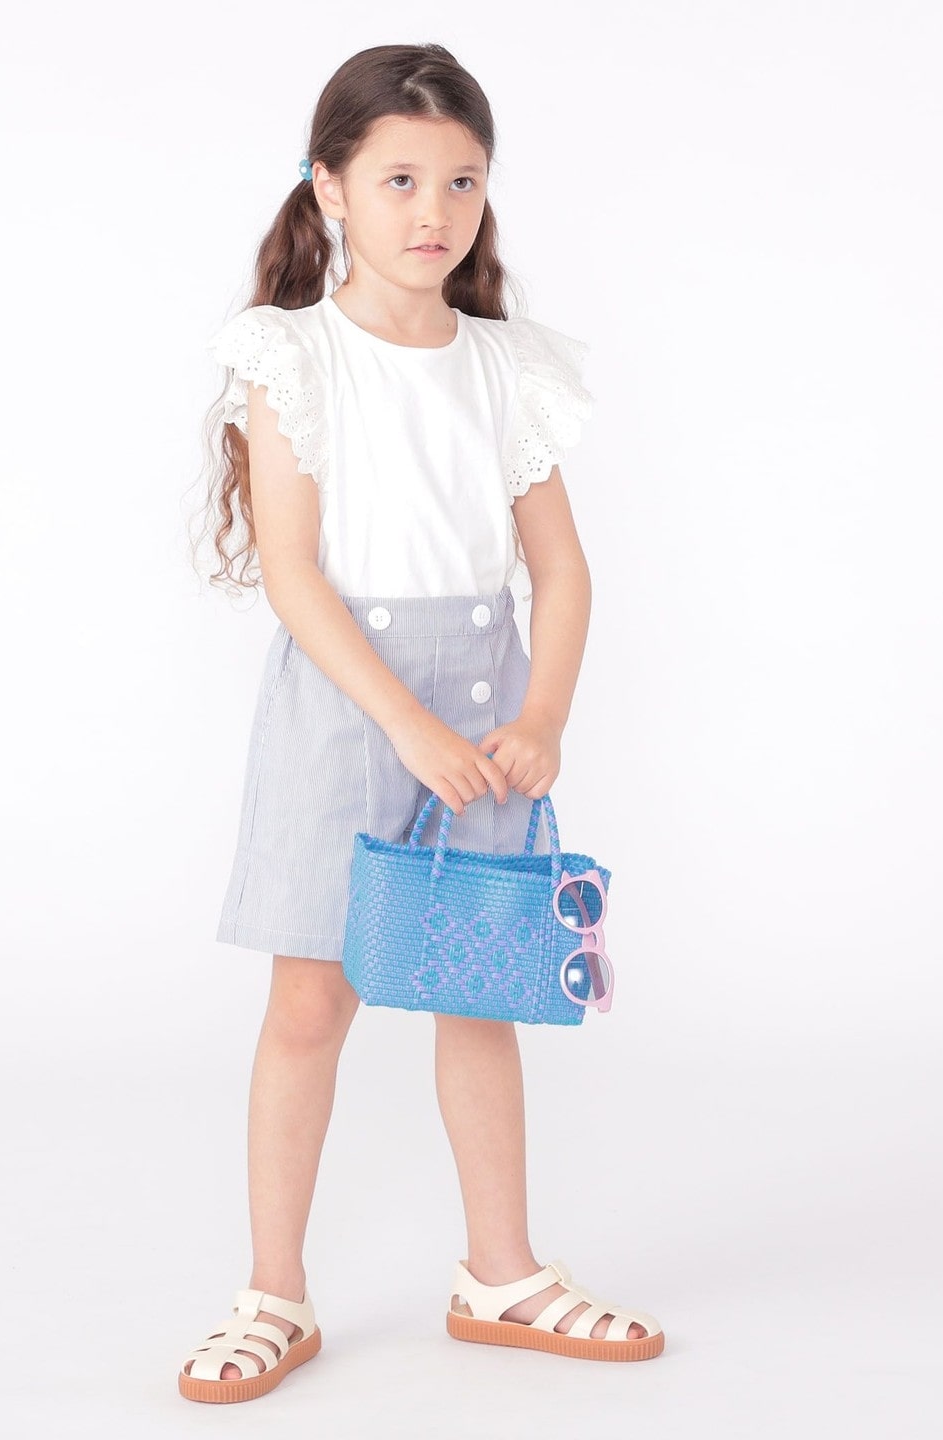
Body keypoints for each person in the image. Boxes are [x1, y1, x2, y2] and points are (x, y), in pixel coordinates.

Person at [178, 42, 665, 1405]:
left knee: (479, 988)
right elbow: (294, 573)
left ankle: (499, 1273)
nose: (432, 209)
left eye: (461, 180)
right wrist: (404, 727)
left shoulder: (509, 368)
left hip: (486, 713)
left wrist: (542, 715)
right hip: (350, 709)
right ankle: (274, 1292)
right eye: (398, 178)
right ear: (329, 185)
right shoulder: (292, 354)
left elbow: (561, 569)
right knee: (310, 1000)